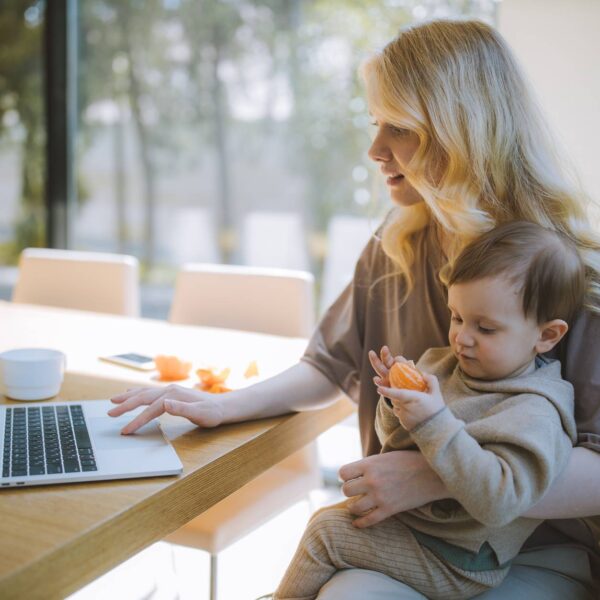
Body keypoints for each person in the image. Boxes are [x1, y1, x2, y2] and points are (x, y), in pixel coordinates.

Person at [108, 19, 600, 598]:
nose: (375, 150)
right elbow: (329, 365)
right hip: (414, 533)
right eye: (375, 125)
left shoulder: (566, 274)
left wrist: (434, 475)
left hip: (532, 549)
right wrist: (224, 405)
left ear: (461, 131)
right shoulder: (397, 243)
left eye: (401, 128)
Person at [272, 221, 582, 600]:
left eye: (485, 328)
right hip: (421, 530)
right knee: (330, 523)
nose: (461, 338)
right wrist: (396, 402)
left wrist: (434, 421)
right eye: (457, 317)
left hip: (461, 559)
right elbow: (397, 443)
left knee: (325, 535)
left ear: (547, 336)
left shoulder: (536, 409)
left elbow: (501, 501)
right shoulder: (445, 364)